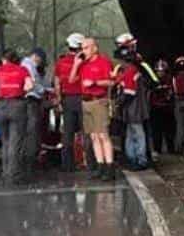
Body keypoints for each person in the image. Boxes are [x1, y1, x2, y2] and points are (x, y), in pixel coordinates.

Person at [0, 48, 33, 184]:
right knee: (15, 143)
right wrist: (22, 90)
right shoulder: (22, 70)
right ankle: (14, 176)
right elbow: (29, 85)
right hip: (17, 105)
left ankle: (5, 173)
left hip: (1, 106)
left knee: (5, 141)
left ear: (4, 59)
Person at [70, 36, 117, 181]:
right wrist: (76, 64)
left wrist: (95, 82)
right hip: (86, 102)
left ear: (94, 48)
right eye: (82, 48)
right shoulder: (83, 64)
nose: (83, 51)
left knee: (103, 135)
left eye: (86, 47)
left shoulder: (103, 62)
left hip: (99, 101)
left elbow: (112, 82)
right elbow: (71, 80)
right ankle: (100, 166)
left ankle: (110, 168)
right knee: (93, 136)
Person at [115, 42, 152, 170]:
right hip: (135, 109)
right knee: (133, 134)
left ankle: (139, 160)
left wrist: (119, 103)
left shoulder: (129, 72)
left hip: (133, 109)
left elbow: (129, 93)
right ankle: (134, 158)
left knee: (136, 134)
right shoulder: (133, 70)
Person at [54, 33, 86, 172]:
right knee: (86, 132)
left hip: (67, 100)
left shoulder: (60, 62)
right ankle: (88, 162)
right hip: (83, 99)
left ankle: (67, 165)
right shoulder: (85, 62)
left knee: (68, 133)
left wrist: (59, 101)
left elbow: (57, 84)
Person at [21, 47, 49, 176]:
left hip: (32, 101)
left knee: (33, 132)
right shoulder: (28, 65)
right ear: (37, 57)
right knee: (32, 132)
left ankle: (29, 161)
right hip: (30, 101)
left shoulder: (29, 65)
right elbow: (32, 84)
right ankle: (29, 164)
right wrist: (44, 90)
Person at [148, 58, 175, 155]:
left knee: (169, 130)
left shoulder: (169, 80)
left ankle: (171, 149)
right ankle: (157, 149)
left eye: (162, 71)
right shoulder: (152, 81)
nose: (160, 73)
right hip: (156, 108)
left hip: (167, 108)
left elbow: (171, 94)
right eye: (159, 71)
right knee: (157, 131)